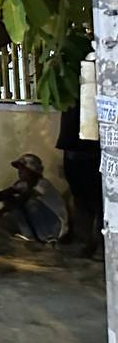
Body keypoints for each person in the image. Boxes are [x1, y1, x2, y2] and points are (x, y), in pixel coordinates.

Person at [0, 153, 67, 244]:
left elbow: (22, 200)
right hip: (44, 224)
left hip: (56, 227)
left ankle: (46, 238)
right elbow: (3, 194)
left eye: (23, 168)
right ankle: (28, 235)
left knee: (30, 203)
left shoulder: (42, 185)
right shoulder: (23, 184)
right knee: (9, 199)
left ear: (32, 170)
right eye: (19, 168)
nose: (19, 171)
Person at [58, 102, 102, 258]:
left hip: (89, 151)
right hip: (77, 150)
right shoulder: (72, 89)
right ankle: (88, 241)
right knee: (83, 200)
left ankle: (94, 242)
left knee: (95, 202)